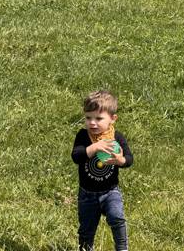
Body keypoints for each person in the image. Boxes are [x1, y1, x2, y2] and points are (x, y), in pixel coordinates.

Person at [71, 90, 133, 251]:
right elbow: (76, 156)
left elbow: (129, 159)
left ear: (113, 119)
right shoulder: (83, 136)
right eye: (88, 118)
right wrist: (94, 148)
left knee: (116, 217)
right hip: (87, 195)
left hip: (110, 191)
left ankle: (122, 248)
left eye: (98, 118)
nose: (92, 123)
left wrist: (121, 160)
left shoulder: (116, 138)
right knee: (86, 229)